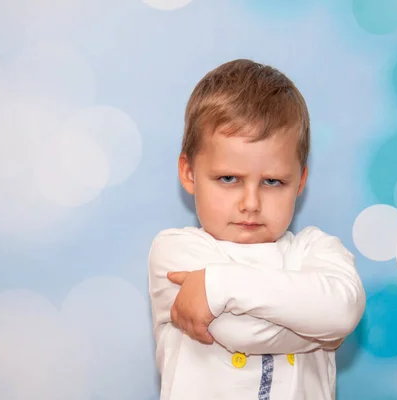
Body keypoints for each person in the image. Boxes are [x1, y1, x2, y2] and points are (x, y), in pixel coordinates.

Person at [148, 59, 366, 400]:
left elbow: (343, 310)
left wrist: (217, 285)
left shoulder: (318, 250)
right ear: (188, 173)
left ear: (300, 181)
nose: (251, 203)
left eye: (273, 181)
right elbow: (241, 332)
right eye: (229, 179)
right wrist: (322, 328)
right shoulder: (176, 252)